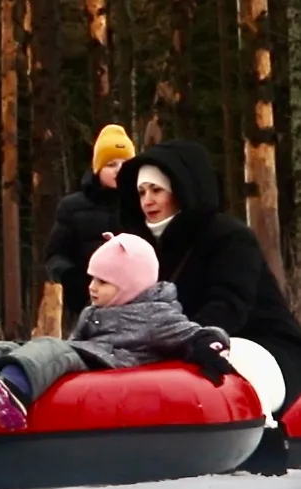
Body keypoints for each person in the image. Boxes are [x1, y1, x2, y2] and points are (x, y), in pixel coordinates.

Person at [0, 233, 234, 431]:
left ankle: (13, 388)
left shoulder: (156, 313)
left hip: (111, 364)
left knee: (53, 349)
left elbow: (193, 333)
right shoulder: (96, 310)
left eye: (103, 282)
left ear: (131, 285)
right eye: (92, 278)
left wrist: (211, 343)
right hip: (86, 355)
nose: (92, 288)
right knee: (7, 345)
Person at [117, 139, 301, 417]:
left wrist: (189, 340)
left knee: (228, 365)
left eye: (156, 190)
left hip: (261, 344)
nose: (147, 201)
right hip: (184, 346)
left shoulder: (230, 237)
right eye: (141, 192)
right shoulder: (144, 247)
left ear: (182, 190)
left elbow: (229, 303)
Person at [44, 124, 136, 319]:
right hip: (85, 306)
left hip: (135, 306)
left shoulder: (142, 205)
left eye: (125, 164)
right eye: (111, 165)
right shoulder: (72, 207)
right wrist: (71, 281)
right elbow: (55, 254)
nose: (119, 171)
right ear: (98, 168)